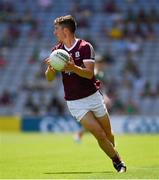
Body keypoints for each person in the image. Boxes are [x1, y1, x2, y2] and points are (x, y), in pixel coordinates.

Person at [45, 15, 127, 173]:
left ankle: (113, 152)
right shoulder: (56, 51)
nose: (54, 32)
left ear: (66, 30)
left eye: (56, 29)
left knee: (108, 135)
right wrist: (50, 69)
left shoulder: (85, 47)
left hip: (93, 97)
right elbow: (49, 79)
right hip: (75, 102)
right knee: (99, 134)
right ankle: (118, 162)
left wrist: (72, 67)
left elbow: (89, 74)